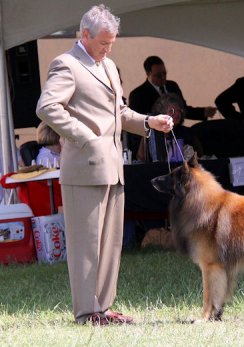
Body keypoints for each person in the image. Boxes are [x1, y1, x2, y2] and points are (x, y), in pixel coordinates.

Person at [36, 4, 174, 326]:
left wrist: (149, 121)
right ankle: (86, 312)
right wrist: (85, 136)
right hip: (84, 168)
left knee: (110, 243)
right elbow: (47, 107)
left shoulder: (109, 66)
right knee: (86, 245)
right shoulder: (66, 65)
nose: (108, 48)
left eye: (112, 42)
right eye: (103, 42)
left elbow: (120, 113)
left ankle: (104, 308)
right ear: (84, 35)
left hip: (112, 167)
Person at [127, 56, 216, 155]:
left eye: (165, 73)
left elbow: (183, 109)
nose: (163, 78)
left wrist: (203, 112)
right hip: (153, 140)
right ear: (148, 74)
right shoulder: (138, 94)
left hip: (177, 135)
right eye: (158, 75)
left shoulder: (172, 86)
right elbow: (136, 122)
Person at [137, 93, 203, 162]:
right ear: (162, 113)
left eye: (179, 111)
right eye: (172, 111)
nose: (177, 114)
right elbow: (141, 157)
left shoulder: (188, 132)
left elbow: (200, 155)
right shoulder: (152, 133)